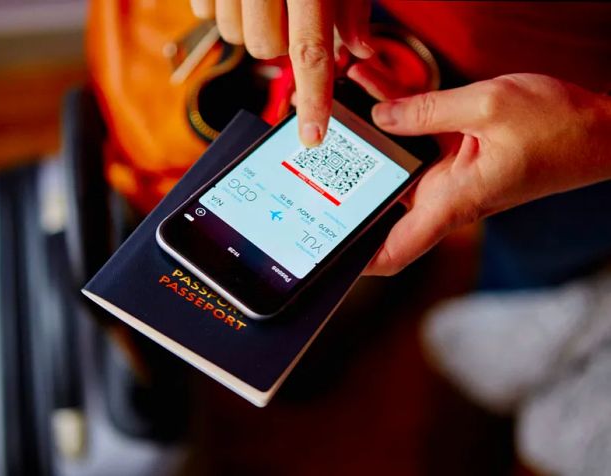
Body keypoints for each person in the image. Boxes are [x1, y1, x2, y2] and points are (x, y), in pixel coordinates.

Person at [189, 1, 611, 473]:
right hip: (372, 32)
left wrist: (598, 130)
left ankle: (489, 377)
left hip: (578, 100)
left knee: (535, 273)